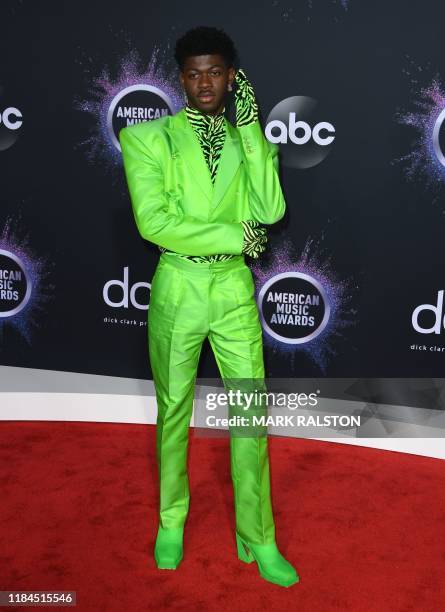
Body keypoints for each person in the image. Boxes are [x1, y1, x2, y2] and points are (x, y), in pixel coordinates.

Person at [119, 25, 299, 588]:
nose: (204, 83)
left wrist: (250, 132)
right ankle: (171, 520)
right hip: (178, 288)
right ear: (180, 78)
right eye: (194, 73)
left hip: (233, 294)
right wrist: (233, 234)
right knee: (174, 412)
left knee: (250, 416)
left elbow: (269, 211)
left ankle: (259, 534)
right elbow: (156, 223)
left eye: (215, 72)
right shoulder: (147, 140)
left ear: (231, 76)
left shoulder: (250, 137)